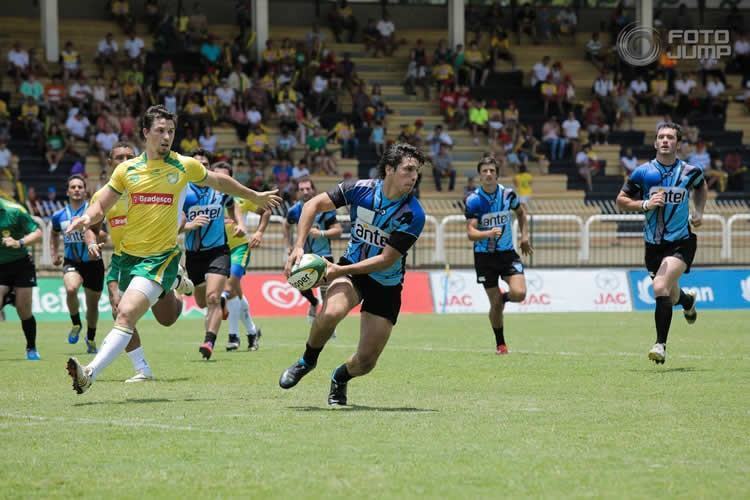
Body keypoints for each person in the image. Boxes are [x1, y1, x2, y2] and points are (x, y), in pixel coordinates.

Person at [65, 105, 281, 394]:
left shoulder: (183, 165)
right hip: (125, 257)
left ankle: (89, 373)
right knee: (164, 318)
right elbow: (101, 204)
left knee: (126, 313)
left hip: (159, 258)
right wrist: (86, 219)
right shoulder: (126, 170)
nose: (167, 137)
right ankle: (178, 283)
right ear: (145, 133)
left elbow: (219, 181)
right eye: (160, 131)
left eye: (171, 131)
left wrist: (253, 195)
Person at [279, 143, 426, 407]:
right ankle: (307, 361)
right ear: (390, 169)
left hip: (386, 282)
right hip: (352, 271)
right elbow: (312, 205)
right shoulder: (360, 189)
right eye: (408, 169)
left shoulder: (413, 214)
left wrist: (338, 270)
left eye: (417, 171)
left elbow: (385, 259)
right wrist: (298, 245)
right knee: (332, 312)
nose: (414, 176)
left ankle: (339, 377)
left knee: (366, 362)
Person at [615, 122, 707, 364]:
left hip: (681, 241)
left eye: (670, 137)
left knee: (659, 287)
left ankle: (660, 345)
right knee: (669, 293)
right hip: (652, 245)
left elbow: (701, 187)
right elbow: (621, 200)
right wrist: (644, 205)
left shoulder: (690, 171)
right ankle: (687, 301)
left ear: (677, 143)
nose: (665, 140)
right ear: (655, 143)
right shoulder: (642, 173)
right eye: (661, 137)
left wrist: (698, 212)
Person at [465, 156, 533, 355]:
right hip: (485, 257)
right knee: (494, 304)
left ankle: (505, 298)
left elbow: (521, 213)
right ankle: (500, 344)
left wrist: (524, 237)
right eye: (484, 171)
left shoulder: (508, 195)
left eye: (492, 171)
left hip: (507, 254)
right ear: (480, 175)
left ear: (497, 174)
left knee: (519, 294)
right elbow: (470, 233)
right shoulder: (474, 201)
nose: (488, 174)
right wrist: (487, 233)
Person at [180, 150, 237, 360]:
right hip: (194, 255)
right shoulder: (182, 192)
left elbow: (232, 205)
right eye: (196, 164)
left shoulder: (220, 188)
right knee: (203, 302)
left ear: (209, 168)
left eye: (204, 163)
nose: (200, 166)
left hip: (218, 251)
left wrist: (237, 222)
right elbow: (172, 226)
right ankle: (218, 305)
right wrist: (188, 226)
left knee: (212, 297)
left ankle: (209, 341)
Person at [50, 175, 105, 353]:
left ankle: (90, 338)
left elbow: (103, 234)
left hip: (93, 262)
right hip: (71, 261)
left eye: (80, 187)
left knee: (92, 306)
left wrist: (95, 236)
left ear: (85, 190)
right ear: (67, 191)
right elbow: (54, 233)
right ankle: (76, 324)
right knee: (71, 288)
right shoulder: (59, 215)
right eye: (73, 187)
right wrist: (54, 253)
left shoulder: (93, 212)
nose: (76, 190)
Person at [219, 162, 269, 351]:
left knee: (229, 289)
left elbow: (266, 210)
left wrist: (259, 233)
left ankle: (233, 337)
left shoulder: (241, 196)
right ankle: (252, 332)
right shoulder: (209, 197)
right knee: (236, 293)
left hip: (240, 248)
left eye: (224, 176)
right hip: (218, 250)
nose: (220, 180)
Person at [284, 177, 342, 322]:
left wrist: (321, 233)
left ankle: (326, 321)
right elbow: (286, 225)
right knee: (296, 281)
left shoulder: (325, 209)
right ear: (297, 193)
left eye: (308, 189)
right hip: (302, 256)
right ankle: (313, 302)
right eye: (302, 189)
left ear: (313, 190)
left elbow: (338, 231)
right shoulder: (294, 210)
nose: (305, 192)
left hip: (324, 255)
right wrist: (289, 245)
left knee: (325, 291)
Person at [0, 198, 43, 360]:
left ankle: (31, 347)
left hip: (21, 265)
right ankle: (9, 296)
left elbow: (38, 233)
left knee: (23, 310)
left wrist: (19, 242)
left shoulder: (14, 211)